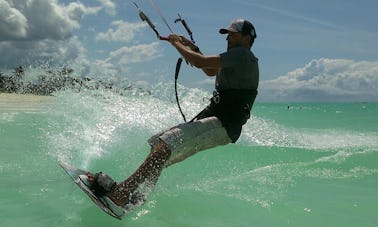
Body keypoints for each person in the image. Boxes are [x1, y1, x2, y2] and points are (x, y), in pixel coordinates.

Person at [86, 18, 259, 215]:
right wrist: (192, 46)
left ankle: (121, 193)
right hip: (217, 121)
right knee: (158, 146)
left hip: (224, 123)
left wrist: (176, 43)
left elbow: (199, 62)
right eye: (227, 34)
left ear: (247, 38)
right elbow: (210, 70)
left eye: (233, 34)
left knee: (165, 145)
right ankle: (139, 196)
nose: (228, 37)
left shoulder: (242, 54)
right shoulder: (236, 57)